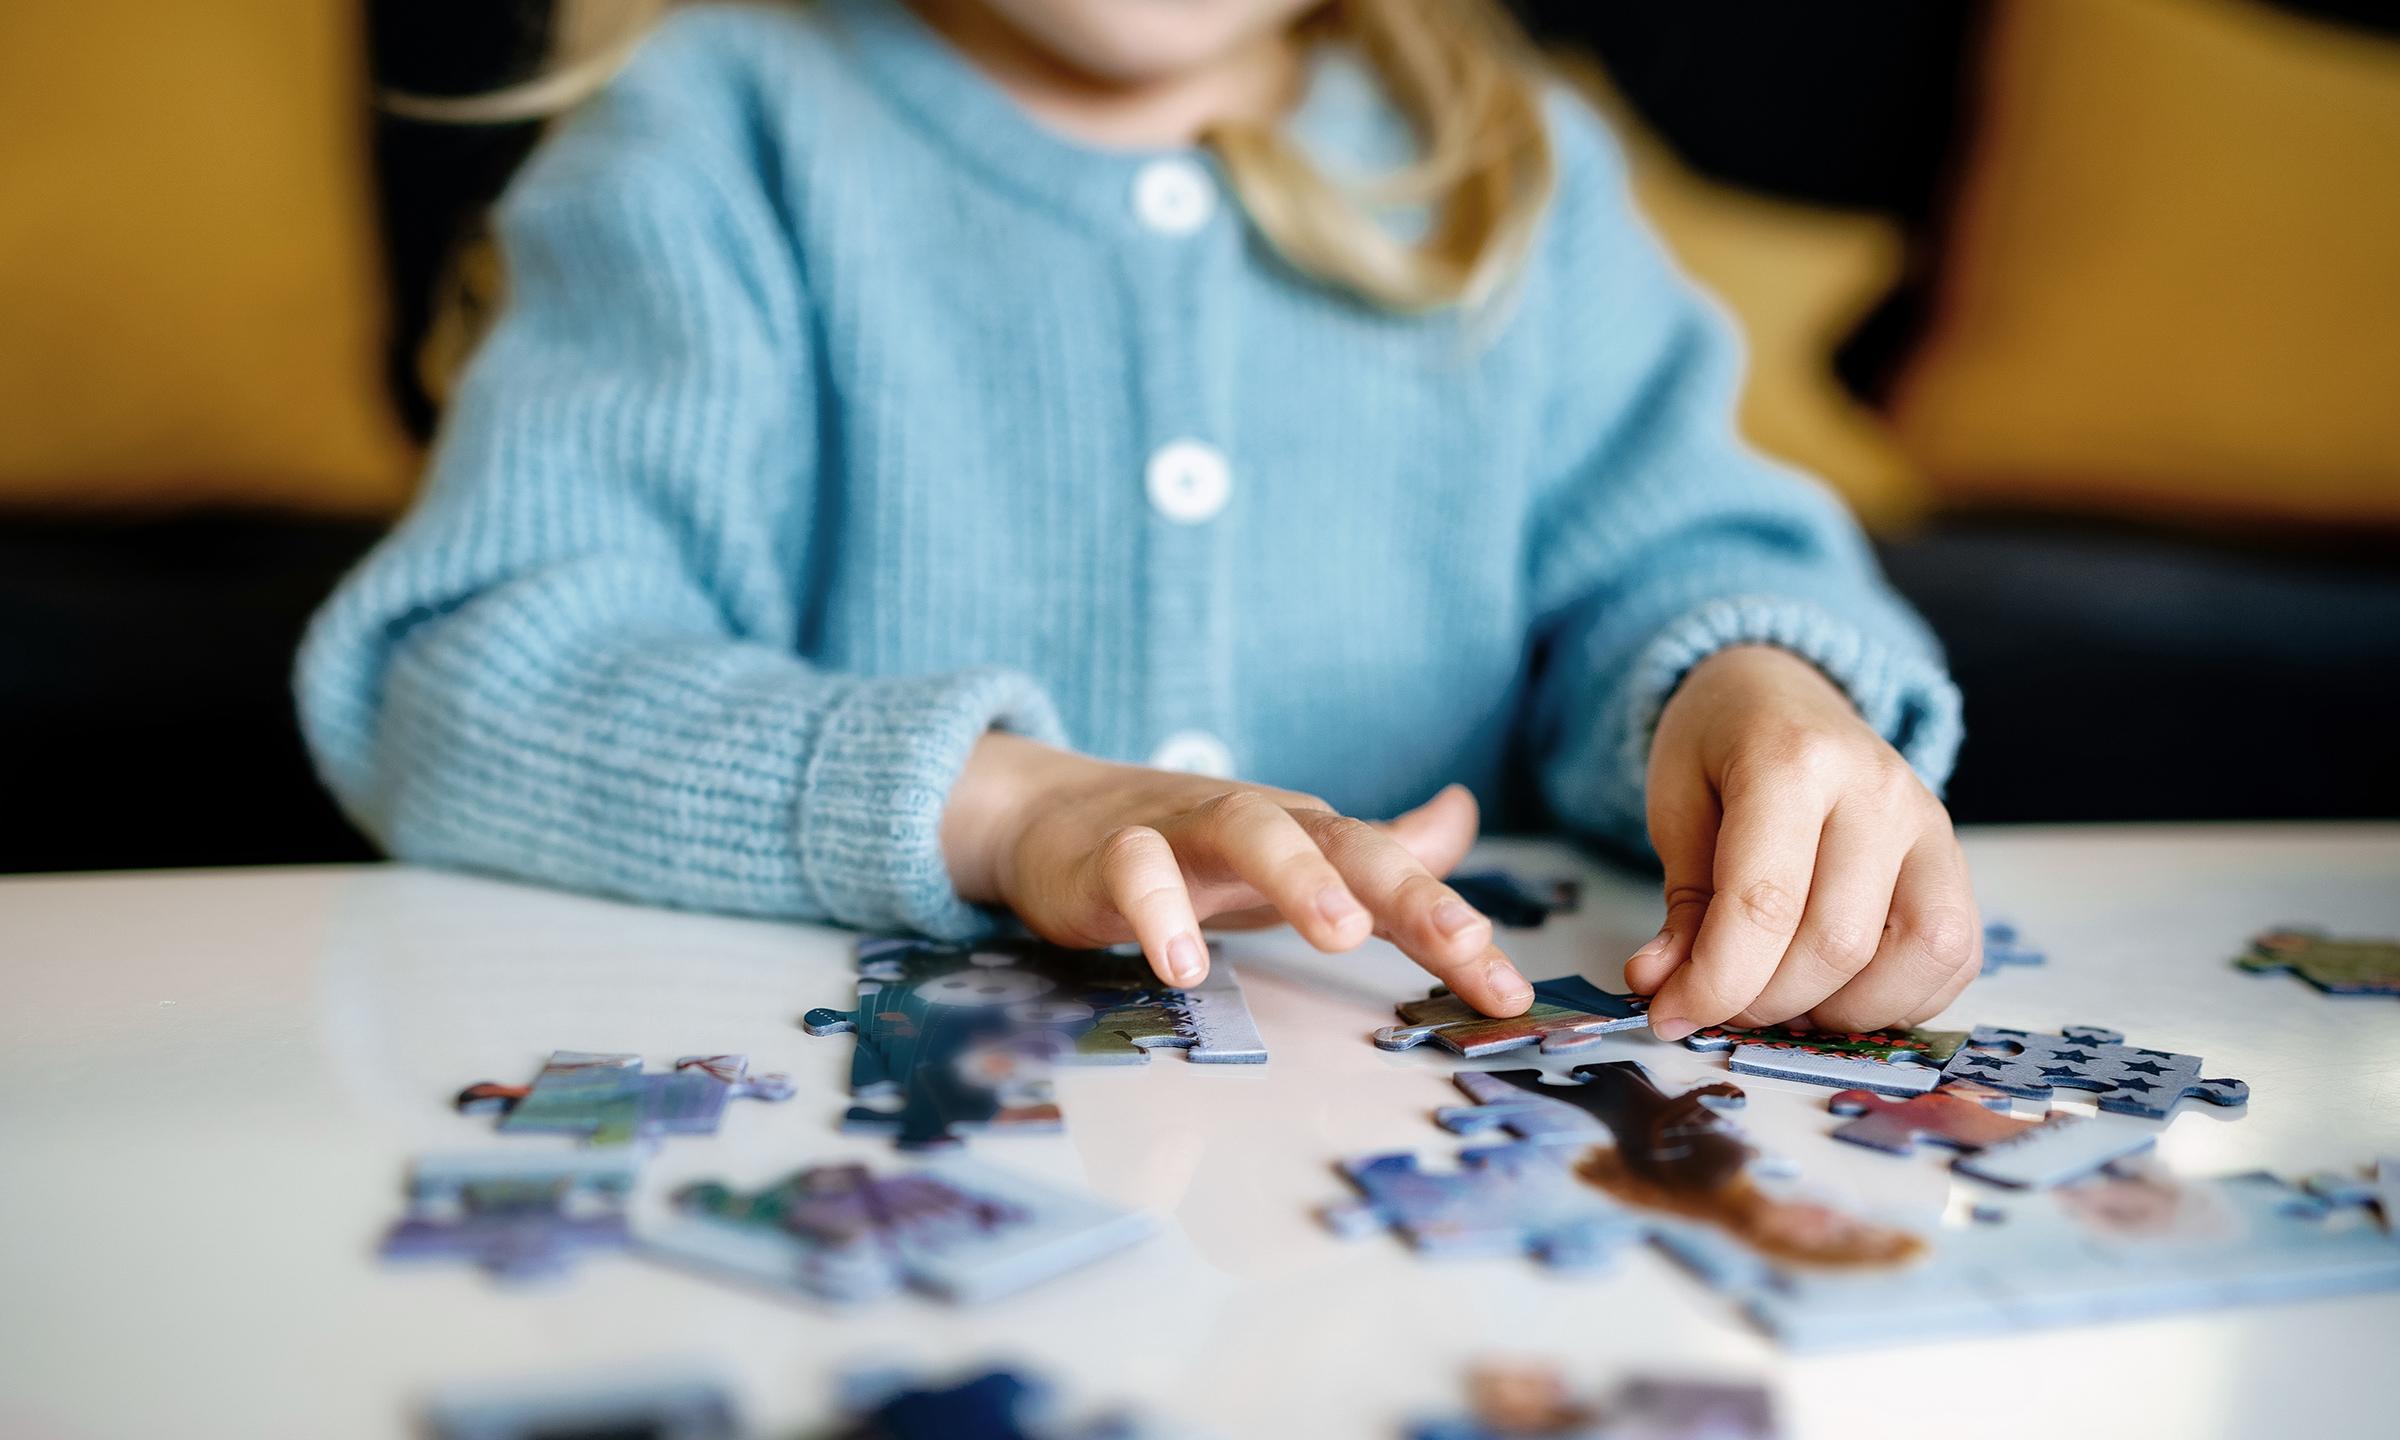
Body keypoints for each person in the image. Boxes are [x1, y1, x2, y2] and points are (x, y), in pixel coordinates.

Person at [298, 0, 1979, 1040]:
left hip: (1401, 1198)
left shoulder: (1517, 162)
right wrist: (1007, 806)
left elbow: (1675, 564)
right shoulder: (708, 131)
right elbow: (468, 679)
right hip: (865, 1171)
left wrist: (1755, 687)